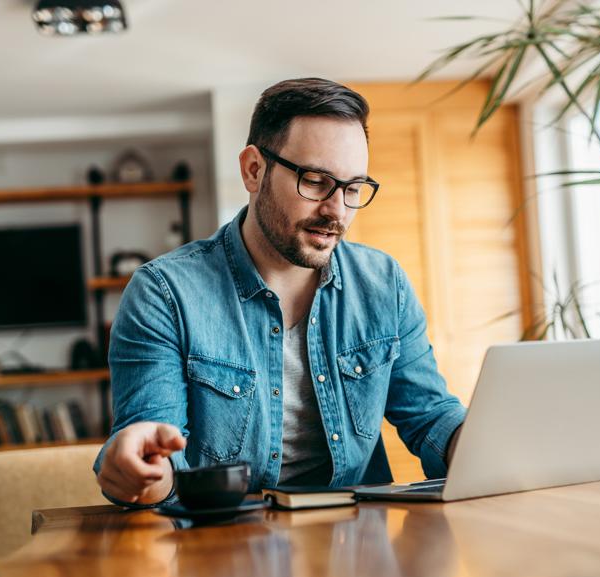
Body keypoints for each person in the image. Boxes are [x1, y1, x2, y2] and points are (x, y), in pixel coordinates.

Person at [94, 78, 465, 506]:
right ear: (254, 170)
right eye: (315, 181)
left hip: (359, 546)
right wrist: (143, 471)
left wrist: (483, 443)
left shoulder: (384, 283)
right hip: (222, 549)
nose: (337, 211)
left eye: (353, 188)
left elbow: (430, 417)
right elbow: (155, 453)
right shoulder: (164, 293)